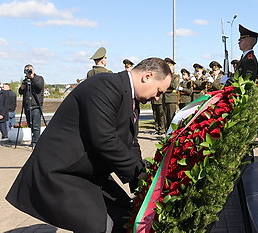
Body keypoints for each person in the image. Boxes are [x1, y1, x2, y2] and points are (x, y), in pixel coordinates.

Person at [7, 57, 172, 233]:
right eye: (159, 91)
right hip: (62, 172)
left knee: (125, 215)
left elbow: (130, 142)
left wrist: (142, 181)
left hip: (88, 174)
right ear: (147, 76)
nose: (157, 98)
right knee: (99, 226)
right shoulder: (105, 85)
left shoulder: (130, 98)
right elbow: (105, 139)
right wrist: (141, 175)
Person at [18, 65, 44, 148]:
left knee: (36, 126)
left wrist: (32, 77)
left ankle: (36, 142)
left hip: (36, 105)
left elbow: (39, 87)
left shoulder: (39, 78)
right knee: (30, 125)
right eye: (26, 70)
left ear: (33, 70)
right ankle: (33, 140)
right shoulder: (25, 80)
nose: (28, 72)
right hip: (27, 106)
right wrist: (22, 87)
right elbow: (20, 92)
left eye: (29, 70)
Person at [163, 57, 180, 130]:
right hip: (164, 97)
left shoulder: (176, 75)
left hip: (171, 98)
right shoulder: (163, 75)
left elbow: (174, 86)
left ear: (173, 66)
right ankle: (166, 134)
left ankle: (172, 133)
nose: (168, 67)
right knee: (165, 118)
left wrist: (166, 80)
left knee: (171, 117)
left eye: (169, 66)